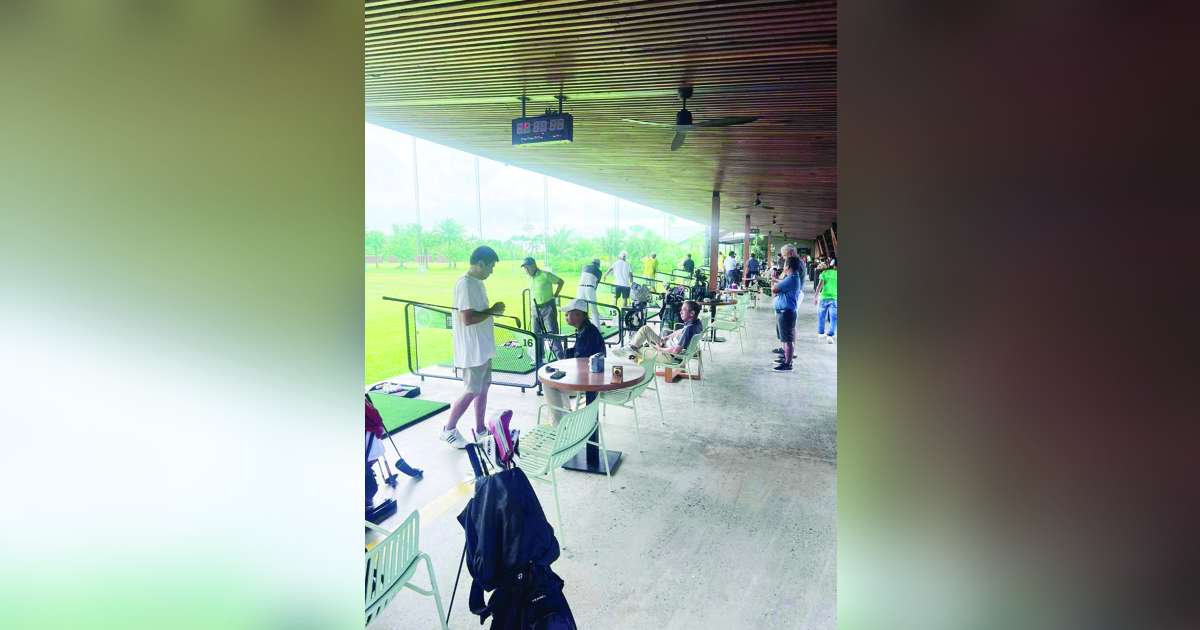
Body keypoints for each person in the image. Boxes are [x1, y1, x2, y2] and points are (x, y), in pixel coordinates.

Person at [442, 246, 505, 449]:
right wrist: (493, 310)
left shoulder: (477, 283)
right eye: (491, 266)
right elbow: (468, 319)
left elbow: (480, 313)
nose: (492, 271)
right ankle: (448, 430)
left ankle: (480, 429)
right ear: (480, 264)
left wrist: (491, 311)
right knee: (471, 390)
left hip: (483, 347)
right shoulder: (465, 284)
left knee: (483, 389)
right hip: (472, 349)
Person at [542, 299, 606, 423]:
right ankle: (565, 415)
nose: (566, 317)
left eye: (568, 314)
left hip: (588, 382)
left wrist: (564, 362)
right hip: (592, 377)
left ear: (579, 315)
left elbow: (580, 361)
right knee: (556, 381)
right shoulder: (587, 329)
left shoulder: (586, 333)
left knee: (549, 384)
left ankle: (559, 423)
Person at [615, 300, 703, 361]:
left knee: (638, 350)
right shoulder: (696, 323)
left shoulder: (689, 329)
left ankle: (631, 352)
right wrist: (668, 337)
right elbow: (680, 331)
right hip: (667, 345)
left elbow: (676, 351)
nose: (680, 312)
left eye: (683, 310)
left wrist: (659, 349)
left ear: (692, 313)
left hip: (669, 355)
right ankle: (630, 348)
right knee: (645, 329)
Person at [521, 257, 565, 359]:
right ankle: (539, 359)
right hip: (535, 309)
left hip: (548, 307)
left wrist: (556, 294)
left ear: (534, 265)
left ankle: (560, 358)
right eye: (525, 268)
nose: (526, 270)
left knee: (552, 333)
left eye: (527, 268)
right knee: (536, 335)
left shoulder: (545, 275)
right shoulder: (530, 278)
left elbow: (561, 282)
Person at [770, 255, 802, 371]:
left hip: (786, 313)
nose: (783, 267)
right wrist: (777, 281)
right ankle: (786, 358)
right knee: (784, 339)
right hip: (784, 312)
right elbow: (783, 284)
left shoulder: (791, 278)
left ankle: (788, 363)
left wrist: (774, 282)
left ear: (788, 266)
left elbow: (774, 289)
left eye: (784, 265)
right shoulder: (793, 277)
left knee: (787, 340)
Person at [814, 257, 838, 343]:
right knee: (833, 318)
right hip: (835, 298)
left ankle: (821, 333)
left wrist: (815, 297)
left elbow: (819, 286)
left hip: (824, 297)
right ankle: (830, 334)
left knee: (821, 316)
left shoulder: (825, 273)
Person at [577, 258, 602, 324]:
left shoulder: (585, 267)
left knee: (581, 308)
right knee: (594, 309)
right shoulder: (599, 272)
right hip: (589, 288)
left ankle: (580, 327)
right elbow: (596, 285)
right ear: (598, 265)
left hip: (580, 288)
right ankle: (597, 328)